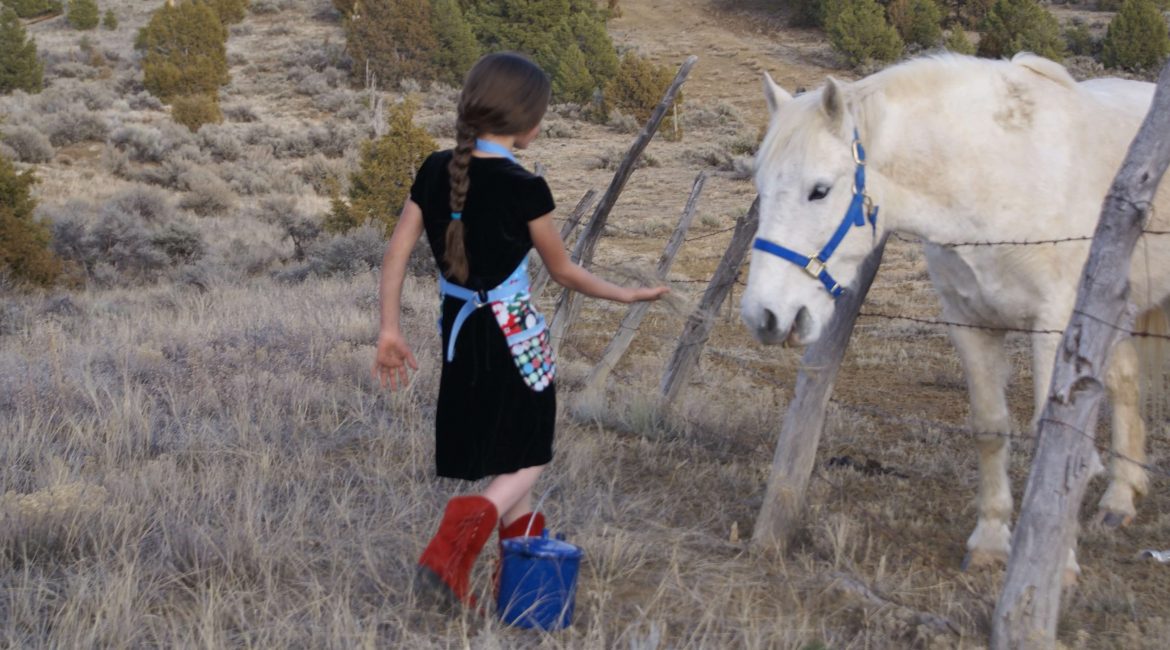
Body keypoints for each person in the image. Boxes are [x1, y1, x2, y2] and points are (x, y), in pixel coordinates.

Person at [372, 52, 669, 611]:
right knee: (531, 452)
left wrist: (389, 329)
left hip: (460, 334)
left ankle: (523, 591)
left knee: (510, 457)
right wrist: (627, 293)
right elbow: (563, 272)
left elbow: (395, 254)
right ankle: (449, 552)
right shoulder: (524, 185)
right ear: (528, 121)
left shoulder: (436, 167)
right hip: (515, 335)